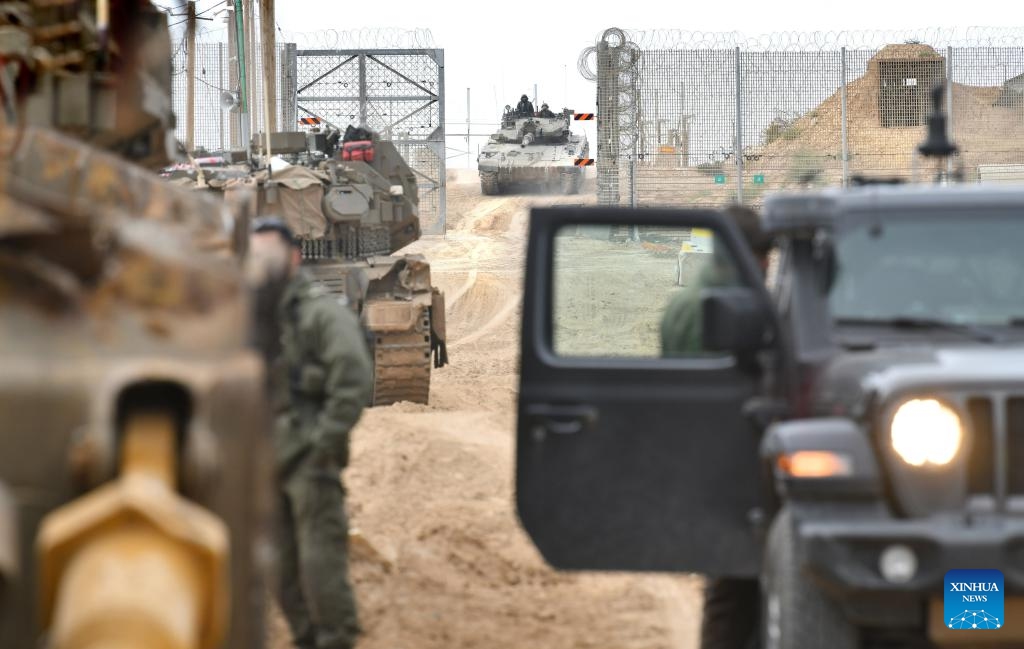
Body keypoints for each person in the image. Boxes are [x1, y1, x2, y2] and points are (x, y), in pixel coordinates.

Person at [248, 217, 374, 649]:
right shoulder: (253, 317)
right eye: (255, 257)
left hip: (308, 453)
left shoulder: (319, 312)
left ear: (293, 259)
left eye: (270, 256)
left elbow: (353, 377)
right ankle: (306, 639)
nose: (262, 266)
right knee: (279, 567)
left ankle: (335, 639)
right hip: (265, 459)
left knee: (320, 562)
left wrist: (325, 440)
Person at [659, 204, 772, 649]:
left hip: (703, 454)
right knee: (735, 584)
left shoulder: (687, 299)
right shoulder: (732, 300)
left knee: (730, 585)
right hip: (732, 457)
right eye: (763, 253)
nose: (767, 264)